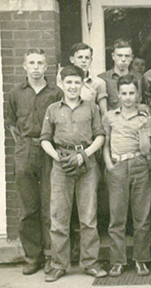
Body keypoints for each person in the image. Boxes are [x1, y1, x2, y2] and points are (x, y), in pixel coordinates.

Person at [40, 65, 106, 282]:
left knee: (88, 216)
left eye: (76, 82)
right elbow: (45, 139)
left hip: (86, 162)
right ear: (61, 83)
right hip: (61, 164)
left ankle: (90, 263)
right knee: (59, 216)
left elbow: (100, 136)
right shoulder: (52, 109)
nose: (72, 86)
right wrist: (58, 158)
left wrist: (84, 155)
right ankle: (59, 264)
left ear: (82, 84)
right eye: (68, 82)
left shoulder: (92, 108)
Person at [7, 49, 63, 276]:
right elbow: (12, 124)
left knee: (51, 205)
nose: (36, 67)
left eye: (40, 63)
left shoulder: (56, 93)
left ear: (46, 66)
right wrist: (25, 145)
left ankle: (51, 256)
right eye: (32, 63)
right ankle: (33, 257)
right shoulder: (15, 93)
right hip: (25, 150)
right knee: (28, 207)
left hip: (49, 149)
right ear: (24, 66)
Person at [102, 75, 151, 277]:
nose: (128, 97)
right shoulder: (109, 116)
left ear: (138, 94)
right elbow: (105, 144)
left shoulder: (145, 117)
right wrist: (109, 165)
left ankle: (141, 259)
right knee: (117, 216)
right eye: (124, 93)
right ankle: (118, 261)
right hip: (118, 165)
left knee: (141, 217)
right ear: (118, 94)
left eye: (132, 93)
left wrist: (142, 133)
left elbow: (147, 150)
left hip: (139, 164)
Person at [57, 43, 108, 115]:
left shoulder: (98, 82)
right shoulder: (63, 80)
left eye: (87, 58)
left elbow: (103, 113)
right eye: (80, 57)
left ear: (91, 60)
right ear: (72, 59)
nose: (83, 61)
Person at [99, 39, 142, 111]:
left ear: (132, 58)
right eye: (119, 55)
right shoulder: (102, 79)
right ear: (113, 56)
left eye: (127, 56)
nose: (123, 59)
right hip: (112, 120)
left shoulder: (139, 78)